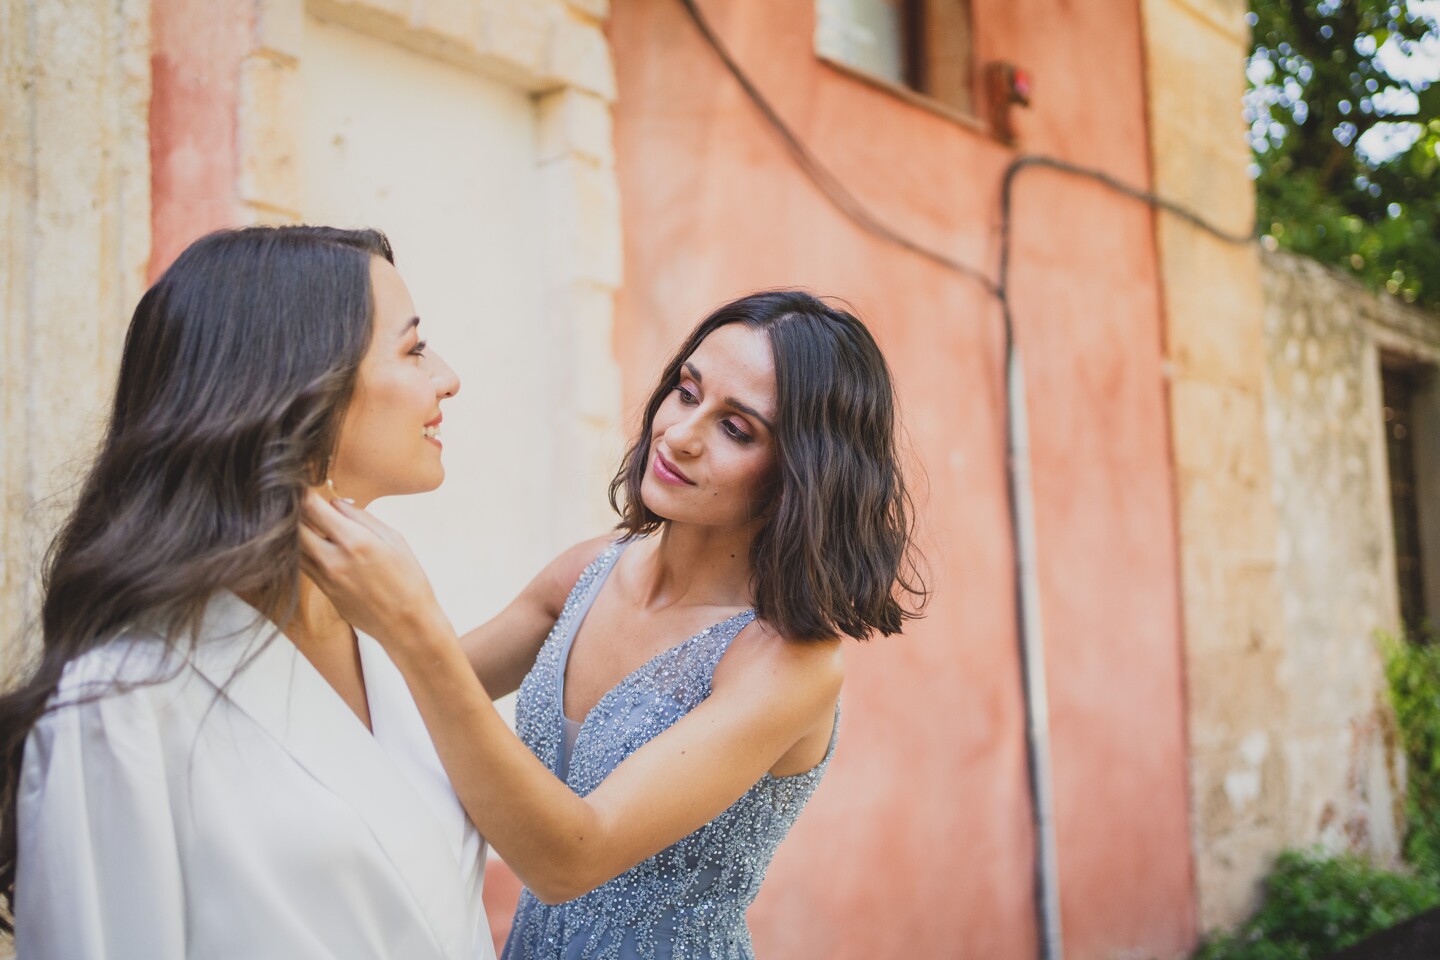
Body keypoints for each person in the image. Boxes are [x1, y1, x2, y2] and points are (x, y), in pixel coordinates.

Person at [300, 290, 926, 959]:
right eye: (687, 392)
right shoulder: (587, 574)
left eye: (736, 429)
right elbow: (391, 704)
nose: (681, 436)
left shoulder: (786, 662)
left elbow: (571, 857)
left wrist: (413, 621)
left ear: (802, 473)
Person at [0, 225, 495, 960]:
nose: (448, 376)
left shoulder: (389, 640)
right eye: (413, 347)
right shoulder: (120, 705)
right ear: (302, 387)